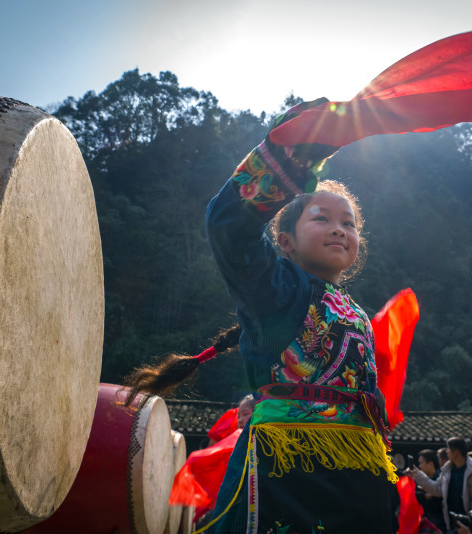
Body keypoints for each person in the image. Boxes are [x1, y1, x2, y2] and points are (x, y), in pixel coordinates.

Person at [123, 99, 399, 533]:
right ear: (284, 241)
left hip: (361, 470)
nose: (339, 228)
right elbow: (228, 226)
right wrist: (291, 159)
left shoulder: (358, 315)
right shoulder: (276, 287)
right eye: (322, 217)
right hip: (288, 471)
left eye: (349, 223)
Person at [408, 437, 472, 534]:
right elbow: (437, 489)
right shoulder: (447, 470)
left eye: (449, 449)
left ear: (456, 452)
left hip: (471, 525)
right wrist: (418, 475)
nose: (447, 452)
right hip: (452, 522)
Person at [413, 449, 447, 533]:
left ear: (430, 464)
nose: (419, 466)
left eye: (421, 463)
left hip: (438, 522)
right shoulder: (420, 481)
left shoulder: (440, 480)